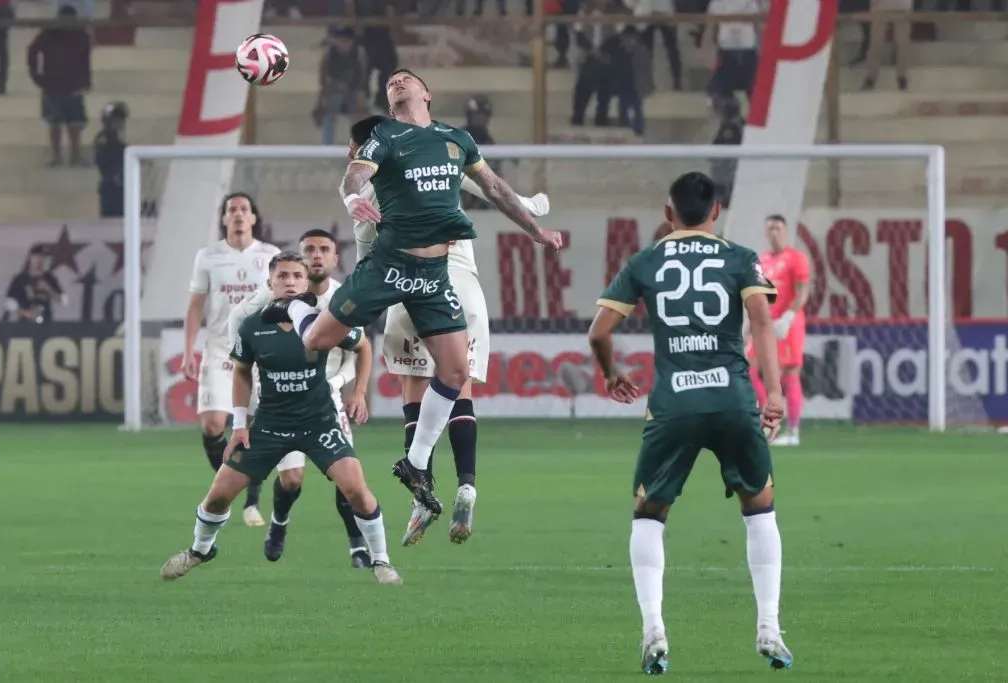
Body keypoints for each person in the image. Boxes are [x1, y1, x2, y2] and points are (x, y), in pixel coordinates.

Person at [263, 69, 561, 518]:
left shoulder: (456, 140)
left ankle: (416, 462)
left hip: (434, 273)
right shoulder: (384, 135)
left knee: (456, 371)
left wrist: (535, 228)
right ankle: (294, 306)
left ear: (427, 93)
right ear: (389, 103)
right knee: (315, 341)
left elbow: (493, 187)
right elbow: (353, 177)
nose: (398, 82)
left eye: (407, 79)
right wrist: (351, 199)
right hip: (388, 266)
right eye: (391, 83)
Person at [587, 171, 792, 674]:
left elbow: (598, 332)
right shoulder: (741, 258)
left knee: (649, 515)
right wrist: (776, 394)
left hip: (674, 404)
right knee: (760, 509)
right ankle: (769, 627)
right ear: (716, 211)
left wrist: (611, 373)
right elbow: (762, 323)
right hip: (732, 400)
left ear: (668, 213)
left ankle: (653, 628)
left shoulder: (645, 261)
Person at [343, 115, 550, 546]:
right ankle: (468, 485)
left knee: (415, 390)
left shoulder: (371, 196)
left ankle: (422, 495)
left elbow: (367, 267)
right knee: (459, 388)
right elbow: (482, 184)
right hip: (464, 290)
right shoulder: (438, 169)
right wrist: (527, 205)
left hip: (413, 288)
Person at [161, 251, 401, 585]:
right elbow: (242, 373)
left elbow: (362, 347)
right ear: (270, 283)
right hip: (270, 425)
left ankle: (382, 561)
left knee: (356, 490)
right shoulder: (252, 326)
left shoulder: (323, 322)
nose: (289, 282)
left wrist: (358, 391)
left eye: (296, 276)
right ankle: (201, 550)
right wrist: (240, 425)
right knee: (217, 496)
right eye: (282, 276)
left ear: (307, 283)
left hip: (319, 423)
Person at [227, 229, 375, 568]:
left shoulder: (344, 299)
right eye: (309, 249)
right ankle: (279, 522)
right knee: (292, 480)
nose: (317, 255)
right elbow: (239, 329)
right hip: (282, 402)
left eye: (325, 249)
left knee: (347, 475)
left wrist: (351, 388)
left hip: (328, 399)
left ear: (336, 259)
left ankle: (357, 548)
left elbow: (361, 347)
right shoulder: (271, 299)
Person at [185, 192, 280, 527]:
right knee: (212, 425)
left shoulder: (271, 256)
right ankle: (240, 483)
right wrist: (188, 351)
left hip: (259, 353)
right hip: (219, 351)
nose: (238, 215)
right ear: (224, 219)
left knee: (253, 428)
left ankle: (250, 499)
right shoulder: (208, 257)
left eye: (244, 209)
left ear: (254, 217)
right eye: (231, 210)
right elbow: (196, 306)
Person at [745, 215, 810, 446]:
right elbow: (757, 296)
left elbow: (803, 291)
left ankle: (792, 432)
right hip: (764, 325)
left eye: (778, 228)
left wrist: (789, 316)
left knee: (789, 376)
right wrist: (748, 327)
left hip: (788, 326)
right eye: (770, 228)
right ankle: (767, 421)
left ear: (786, 231)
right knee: (748, 370)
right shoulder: (761, 260)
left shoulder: (796, 259)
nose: (774, 232)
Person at [27, 5, 92, 166]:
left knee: (74, 124)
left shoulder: (81, 35)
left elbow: (85, 59)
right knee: (56, 124)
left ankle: (74, 156)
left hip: (71, 85)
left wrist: (87, 78)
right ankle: (58, 156)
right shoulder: (49, 34)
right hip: (53, 85)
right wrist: (36, 75)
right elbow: (32, 51)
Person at [5, 245, 66, 323]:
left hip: (46, 323)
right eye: (37, 256)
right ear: (30, 257)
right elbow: (9, 302)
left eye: (43, 257)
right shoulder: (20, 278)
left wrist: (49, 289)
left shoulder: (49, 278)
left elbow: (63, 301)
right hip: (25, 324)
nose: (40, 260)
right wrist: (25, 313)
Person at [94, 101, 128, 218]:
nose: (119, 123)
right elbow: (103, 163)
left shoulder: (116, 139)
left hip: (121, 185)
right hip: (111, 187)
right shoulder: (104, 139)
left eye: (120, 120)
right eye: (115, 120)